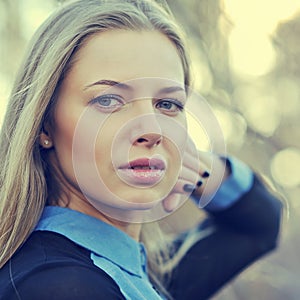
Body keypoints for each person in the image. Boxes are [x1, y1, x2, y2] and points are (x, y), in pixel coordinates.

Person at [0, 0, 282, 299]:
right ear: (44, 124)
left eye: (167, 104)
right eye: (108, 100)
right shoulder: (56, 286)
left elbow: (259, 225)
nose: (152, 130)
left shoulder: (138, 275)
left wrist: (195, 169)